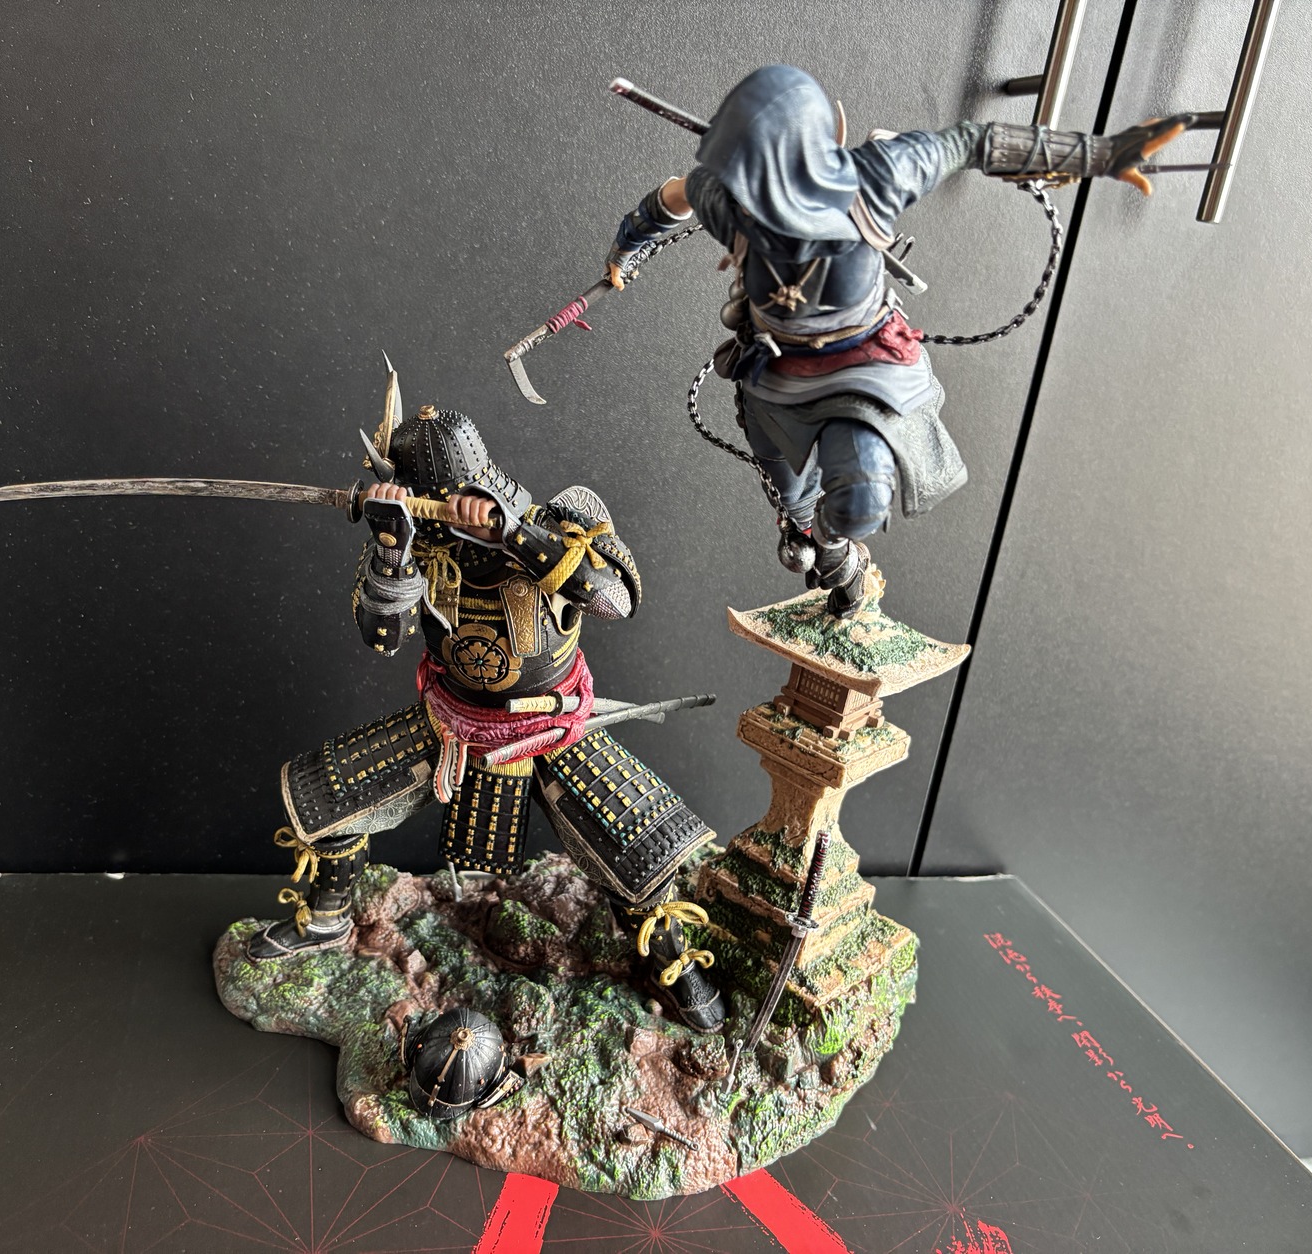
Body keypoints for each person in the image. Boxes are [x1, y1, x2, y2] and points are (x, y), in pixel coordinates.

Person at [607, 65, 1190, 615]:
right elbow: (673, 197)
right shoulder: (732, 201)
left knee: (860, 501)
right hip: (774, 373)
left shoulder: (879, 175)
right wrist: (624, 251)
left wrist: (1099, 154)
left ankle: (836, 540)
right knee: (792, 499)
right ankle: (828, 556)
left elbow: (973, 141)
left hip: (863, 369)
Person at [247, 369, 725, 1033]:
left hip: (551, 727)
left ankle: (666, 957)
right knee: (325, 800)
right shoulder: (417, 541)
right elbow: (381, 636)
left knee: (641, 855)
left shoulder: (564, 517)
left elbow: (615, 598)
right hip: (454, 722)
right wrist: (390, 548)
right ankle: (327, 919)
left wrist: (514, 536)